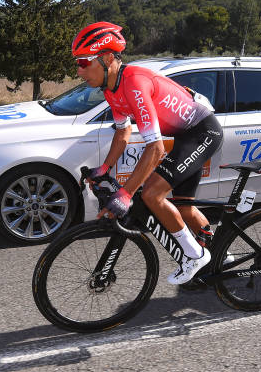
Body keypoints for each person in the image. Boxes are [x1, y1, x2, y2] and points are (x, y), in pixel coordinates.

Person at [72, 22, 223, 284]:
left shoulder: (134, 83)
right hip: (185, 135)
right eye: (76, 63)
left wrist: (126, 193)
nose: (78, 71)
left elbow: (155, 148)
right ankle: (222, 255)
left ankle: (194, 255)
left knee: (152, 193)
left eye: (84, 63)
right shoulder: (111, 90)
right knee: (184, 208)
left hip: (203, 132)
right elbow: (123, 133)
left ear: (107, 57)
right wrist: (105, 168)